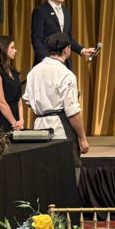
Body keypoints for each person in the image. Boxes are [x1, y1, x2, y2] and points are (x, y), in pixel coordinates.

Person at [23, 32, 89, 173]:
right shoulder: (66, 74)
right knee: (67, 175)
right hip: (60, 129)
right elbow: (72, 112)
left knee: (44, 175)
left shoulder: (34, 71)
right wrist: (83, 138)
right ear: (67, 49)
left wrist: (43, 105)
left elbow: (27, 99)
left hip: (39, 127)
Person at [30, 0, 96, 69]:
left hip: (65, 62)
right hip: (47, 61)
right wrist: (44, 60)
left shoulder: (66, 12)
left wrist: (82, 50)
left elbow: (67, 38)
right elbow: (36, 39)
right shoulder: (40, 11)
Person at [0, 34, 24, 131]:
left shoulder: (13, 72)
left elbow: (18, 99)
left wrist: (21, 120)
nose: (15, 51)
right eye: (12, 48)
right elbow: (1, 103)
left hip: (16, 119)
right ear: (3, 49)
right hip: (2, 119)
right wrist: (14, 123)